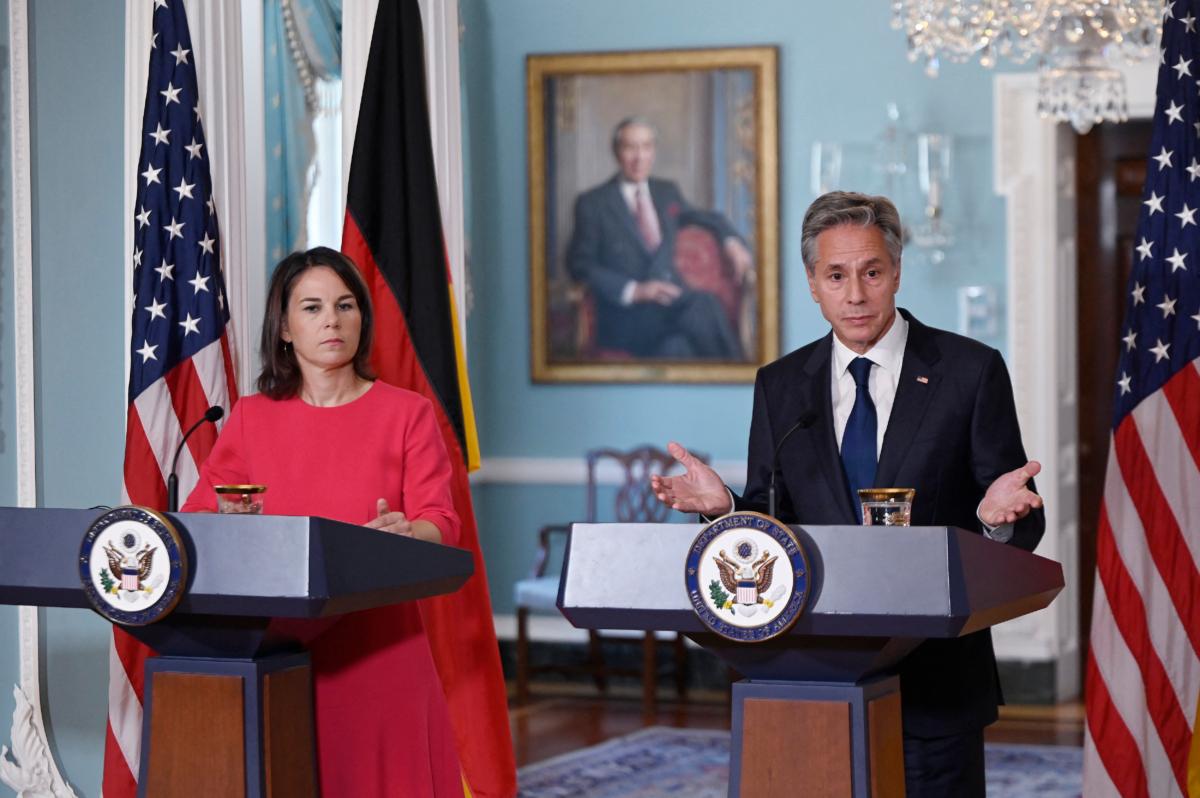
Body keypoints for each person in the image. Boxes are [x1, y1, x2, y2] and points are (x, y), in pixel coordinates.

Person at [651, 191, 1045, 798]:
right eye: (836, 276)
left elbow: (1017, 513)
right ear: (813, 283)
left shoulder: (970, 371)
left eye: (871, 273)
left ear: (896, 273)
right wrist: (725, 509)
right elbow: (772, 519)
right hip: (810, 677)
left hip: (935, 683)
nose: (855, 295)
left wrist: (994, 523)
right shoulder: (781, 386)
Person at [182, 247, 464, 797]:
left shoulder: (408, 413)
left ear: (363, 317)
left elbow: (442, 523)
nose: (332, 320)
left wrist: (408, 535)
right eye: (311, 307)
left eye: (345, 304)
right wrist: (232, 518)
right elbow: (199, 515)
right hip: (280, 654)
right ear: (284, 328)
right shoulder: (250, 418)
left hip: (382, 652)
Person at [566, 116, 753, 359]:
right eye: (630, 147)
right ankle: (745, 380)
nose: (639, 157)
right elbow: (580, 265)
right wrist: (636, 290)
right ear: (616, 152)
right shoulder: (593, 203)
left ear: (653, 151)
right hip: (628, 317)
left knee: (677, 349)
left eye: (646, 147)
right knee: (703, 304)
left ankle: (737, 384)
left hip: (672, 310)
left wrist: (732, 242)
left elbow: (707, 218)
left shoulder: (666, 192)